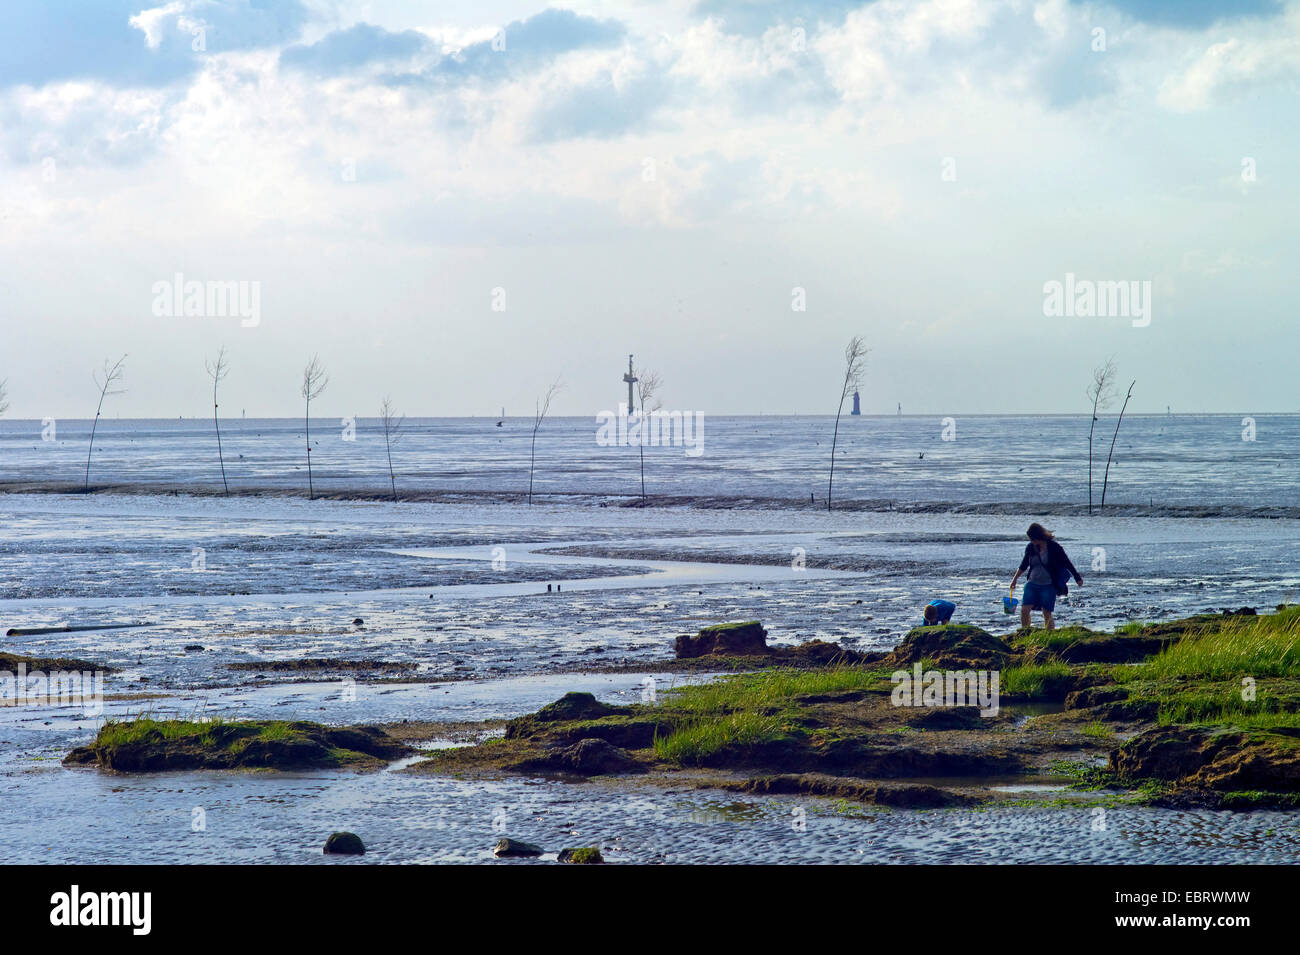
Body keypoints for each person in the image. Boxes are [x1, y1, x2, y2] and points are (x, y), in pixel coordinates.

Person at [1010, 523, 1082, 631]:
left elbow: (1067, 562)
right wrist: (1014, 580)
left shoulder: (1054, 547)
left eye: (1033, 539)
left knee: (1046, 612)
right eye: (1030, 539)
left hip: (1049, 585)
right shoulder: (1031, 547)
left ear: (1039, 536)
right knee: (1024, 610)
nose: (1031, 541)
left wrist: (1077, 578)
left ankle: (1050, 635)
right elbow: (1024, 565)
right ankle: (1026, 632)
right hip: (1032, 583)